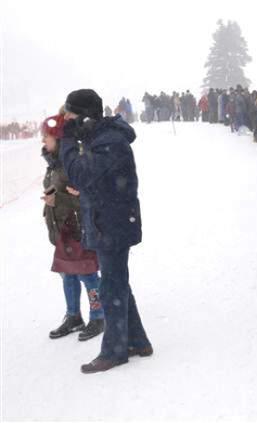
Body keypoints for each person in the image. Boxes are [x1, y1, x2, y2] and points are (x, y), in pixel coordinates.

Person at [59, 89, 152, 373]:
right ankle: (137, 341)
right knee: (116, 280)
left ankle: (114, 351)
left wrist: (65, 140)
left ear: (85, 117)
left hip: (112, 222)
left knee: (112, 283)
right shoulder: (99, 137)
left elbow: (81, 172)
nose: (68, 122)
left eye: (71, 116)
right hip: (108, 219)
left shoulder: (109, 140)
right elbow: (92, 176)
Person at [41, 114, 105, 342]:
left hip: (79, 227)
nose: (43, 142)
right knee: (67, 273)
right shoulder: (54, 164)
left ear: (58, 139)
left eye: (46, 138)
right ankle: (73, 316)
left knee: (87, 273)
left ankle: (99, 315)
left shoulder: (74, 161)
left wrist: (57, 200)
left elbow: (86, 197)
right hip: (63, 230)